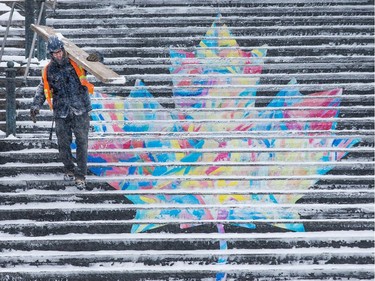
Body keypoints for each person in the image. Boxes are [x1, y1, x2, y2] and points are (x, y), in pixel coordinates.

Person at [30, 35, 102, 189]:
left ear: (63, 49)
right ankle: (69, 168)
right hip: (61, 111)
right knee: (63, 143)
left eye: (59, 51)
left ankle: (80, 175)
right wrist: (36, 105)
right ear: (51, 54)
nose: (58, 55)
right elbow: (42, 89)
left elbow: (96, 63)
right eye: (54, 53)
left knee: (82, 142)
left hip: (80, 109)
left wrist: (98, 56)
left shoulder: (77, 63)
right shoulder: (49, 69)